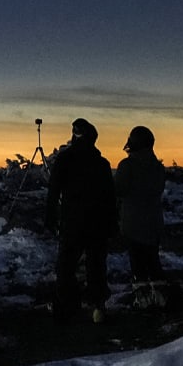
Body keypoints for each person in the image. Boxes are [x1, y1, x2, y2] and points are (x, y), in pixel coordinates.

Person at [46, 118, 118, 323]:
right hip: (98, 223)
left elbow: (53, 191)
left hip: (73, 222)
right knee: (96, 265)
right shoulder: (102, 163)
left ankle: (68, 304)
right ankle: (98, 306)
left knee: (66, 265)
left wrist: (50, 217)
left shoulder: (65, 159)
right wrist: (113, 224)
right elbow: (109, 197)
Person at [114, 125, 167, 307]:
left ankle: (143, 297)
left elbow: (118, 190)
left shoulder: (127, 166)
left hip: (133, 223)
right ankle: (160, 295)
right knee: (153, 259)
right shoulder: (158, 168)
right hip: (154, 222)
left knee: (137, 261)